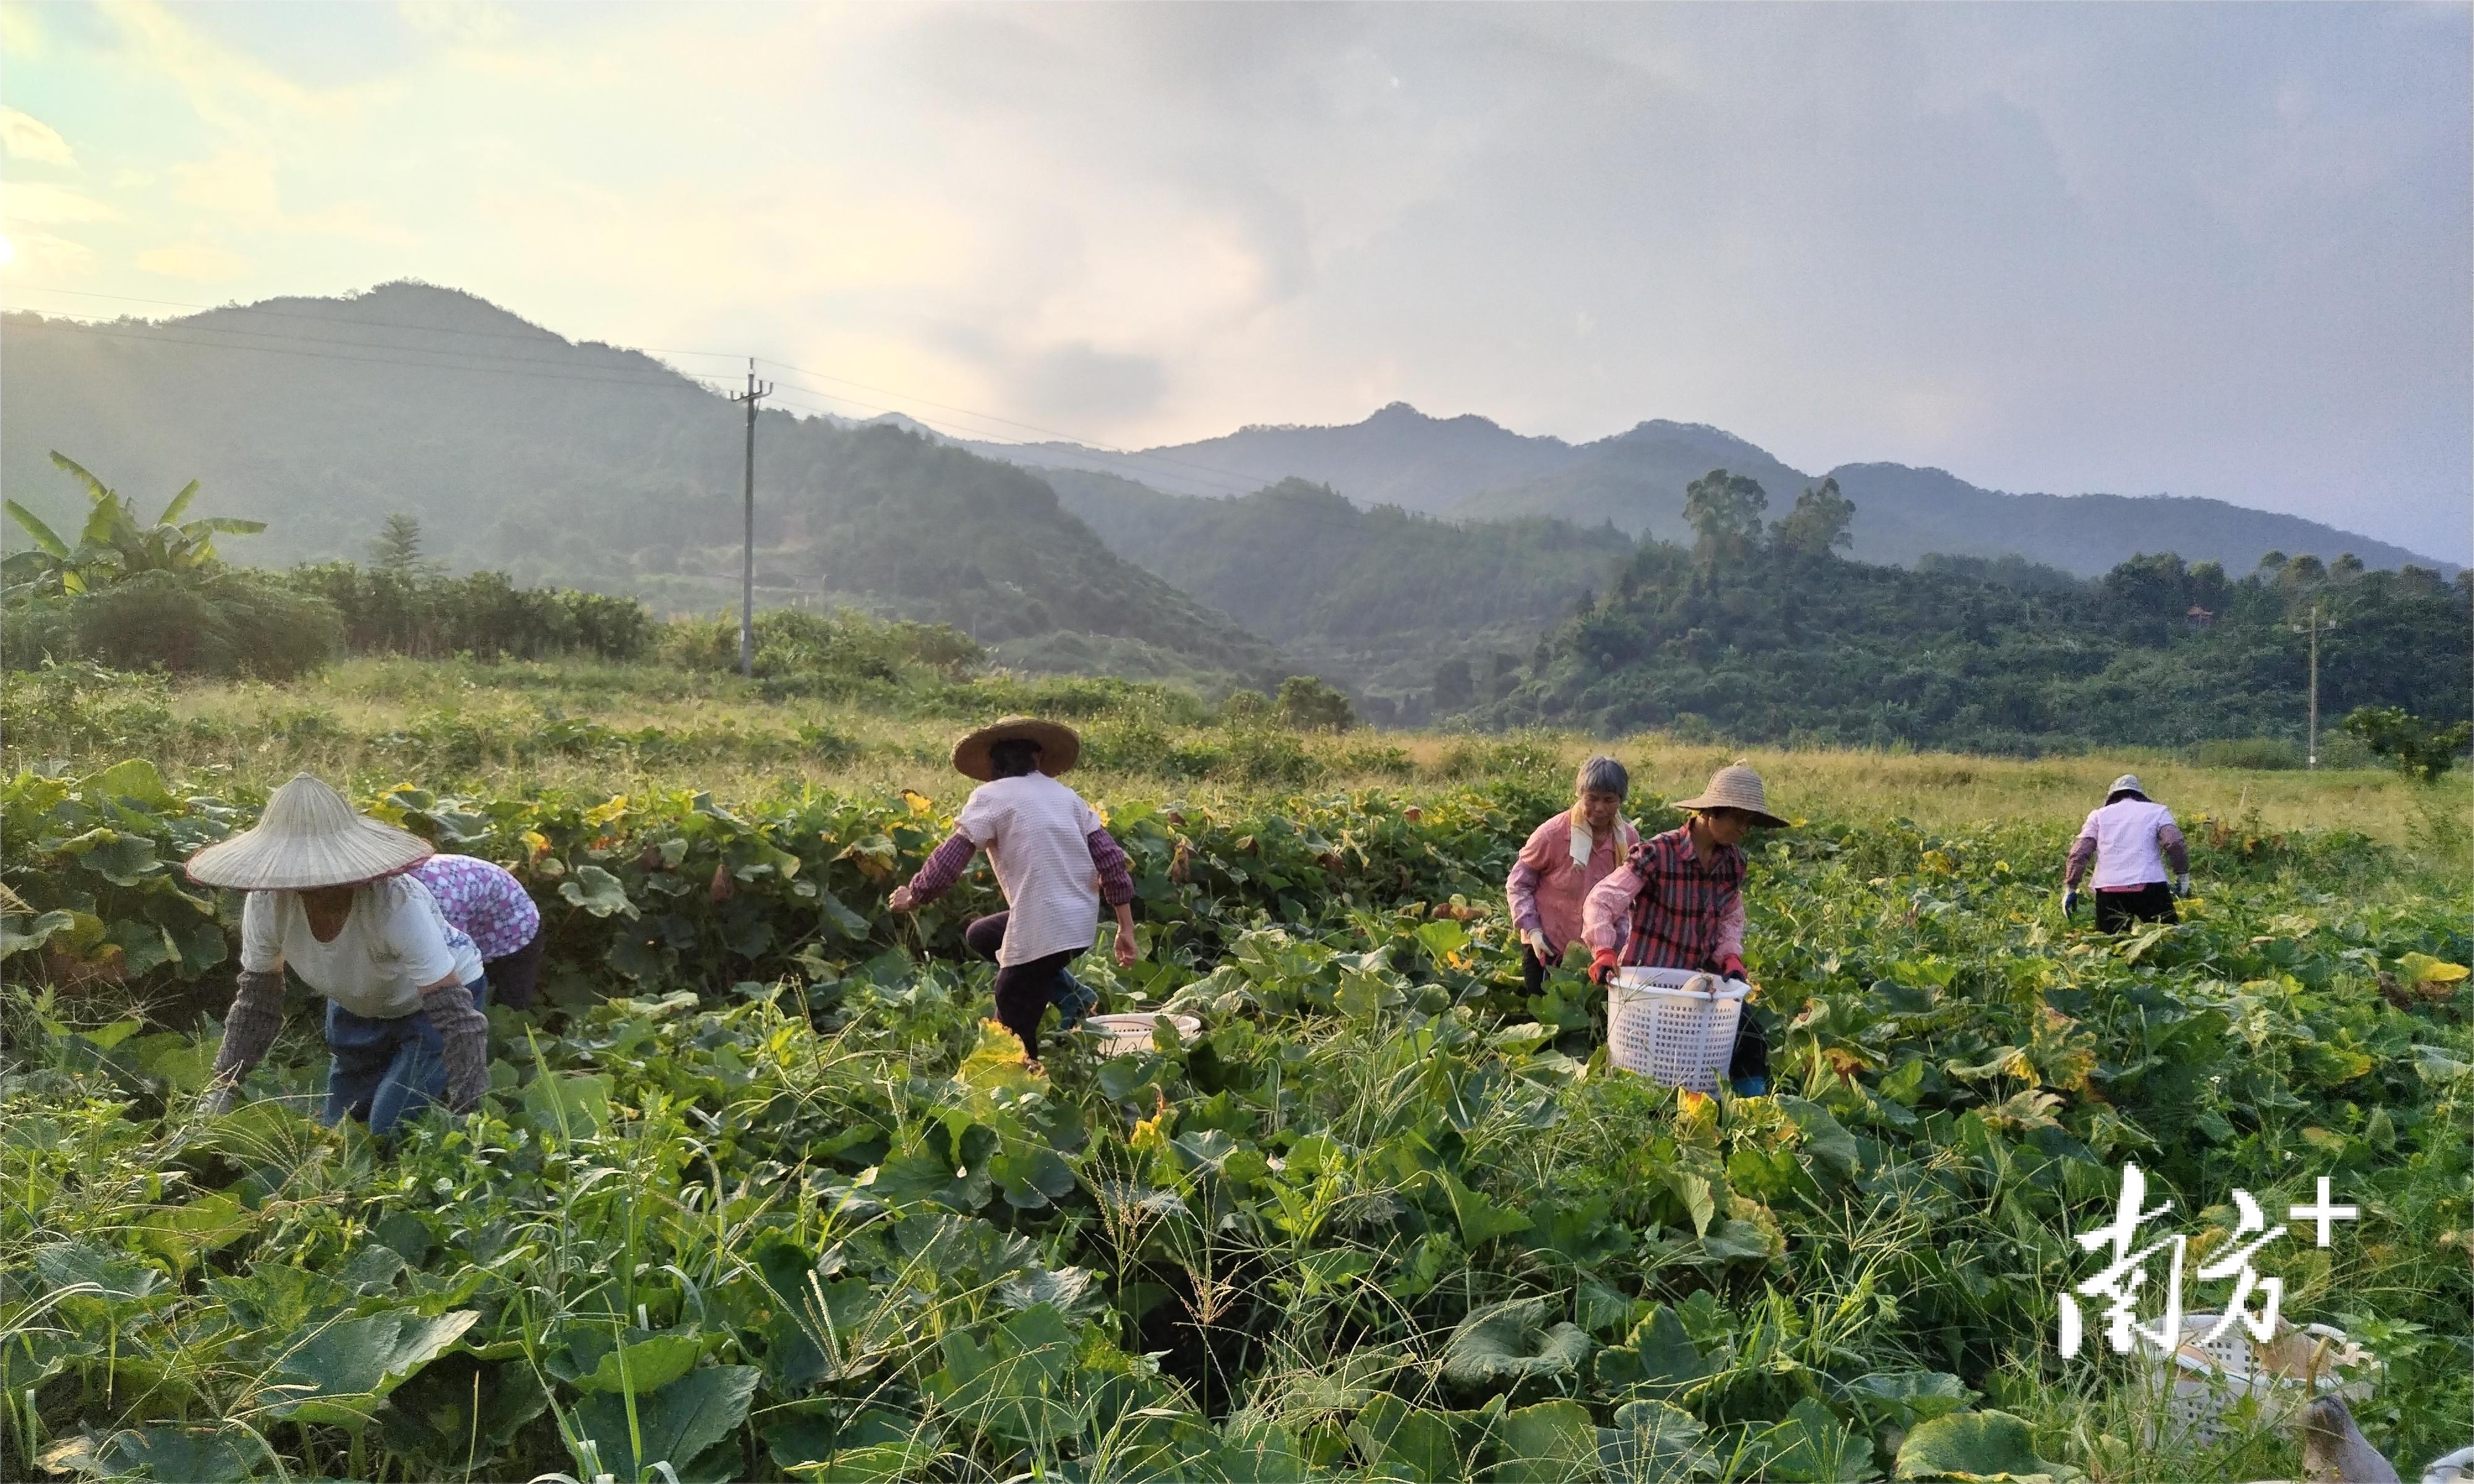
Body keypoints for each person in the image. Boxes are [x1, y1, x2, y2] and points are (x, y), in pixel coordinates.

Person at [186, 774, 490, 1135]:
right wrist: (223, 1088)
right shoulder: (267, 905)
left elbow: (456, 1017)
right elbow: (257, 1003)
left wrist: (466, 1105)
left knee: (389, 1128)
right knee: (340, 1132)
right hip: (356, 1005)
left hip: (430, 1008)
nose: (316, 884)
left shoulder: (394, 904)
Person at [889, 717, 1139, 1070]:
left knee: (1011, 1011)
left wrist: (913, 896)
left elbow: (951, 858)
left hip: (1044, 928)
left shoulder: (990, 796)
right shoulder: (1067, 797)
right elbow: (1112, 861)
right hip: (1078, 924)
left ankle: (1023, 1086)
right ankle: (1073, 997)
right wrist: (1124, 929)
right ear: (1038, 760)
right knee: (984, 934)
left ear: (993, 765)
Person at [1580, 762, 1786, 1094]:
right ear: (1710, 813)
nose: (1744, 830)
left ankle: (1751, 1114)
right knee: (1651, 1066)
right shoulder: (1657, 854)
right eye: (1738, 819)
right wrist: (1603, 950)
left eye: (1749, 822)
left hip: (1699, 980)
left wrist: (1730, 956)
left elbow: (1732, 916)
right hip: (1649, 983)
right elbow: (1602, 901)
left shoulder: (1733, 863)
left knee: (1749, 1037)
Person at [1506, 755, 1640, 996]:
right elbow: (1519, 884)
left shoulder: (1628, 839)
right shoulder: (1553, 834)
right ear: (1581, 795)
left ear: (1621, 800)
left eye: (1609, 800)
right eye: (1592, 799)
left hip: (1601, 950)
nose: (1599, 808)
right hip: (1548, 946)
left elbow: (1629, 898)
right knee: (1545, 1018)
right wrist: (1533, 931)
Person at [411, 853, 546, 1010]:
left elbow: (449, 960)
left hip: (518, 928)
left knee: (509, 1007)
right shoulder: (405, 880)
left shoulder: (442, 899)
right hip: (483, 924)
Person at [2063, 774, 2189, 932]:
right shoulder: (2159, 812)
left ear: (2112, 797)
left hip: (2110, 890)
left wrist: (2071, 888)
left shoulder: (2098, 816)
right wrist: (2183, 876)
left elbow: (2080, 853)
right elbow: (2174, 843)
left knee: (2112, 948)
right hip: (2151, 886)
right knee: (2168, 940)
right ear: (2140, 795)